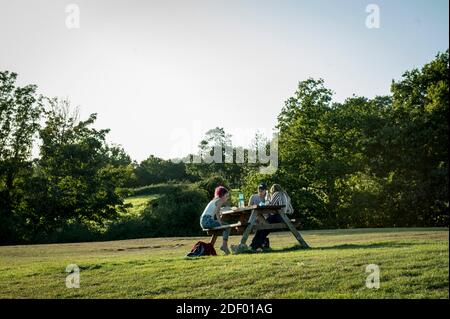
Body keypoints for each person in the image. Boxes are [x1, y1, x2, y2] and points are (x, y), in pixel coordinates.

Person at [250, 184, 289, 251]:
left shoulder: (276, 194)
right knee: (263, 228)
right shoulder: (284, 194)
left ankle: (254, 245)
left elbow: (270, 204)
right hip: (282, 216)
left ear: (273, 189)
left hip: (278, 216)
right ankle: (255, 245)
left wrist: (267, 200)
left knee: (263, 228)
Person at [200, 186, 231, 255]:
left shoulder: (215, 200)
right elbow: (217, 213)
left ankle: (220, 246)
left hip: (203, 221)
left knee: (225, 225)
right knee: (227, 226)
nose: (227, 198)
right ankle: (224, 246)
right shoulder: (220, 200)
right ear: (222, 195)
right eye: (226, 196)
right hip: (207, 221)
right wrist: (220, 223)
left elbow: (216, 211)